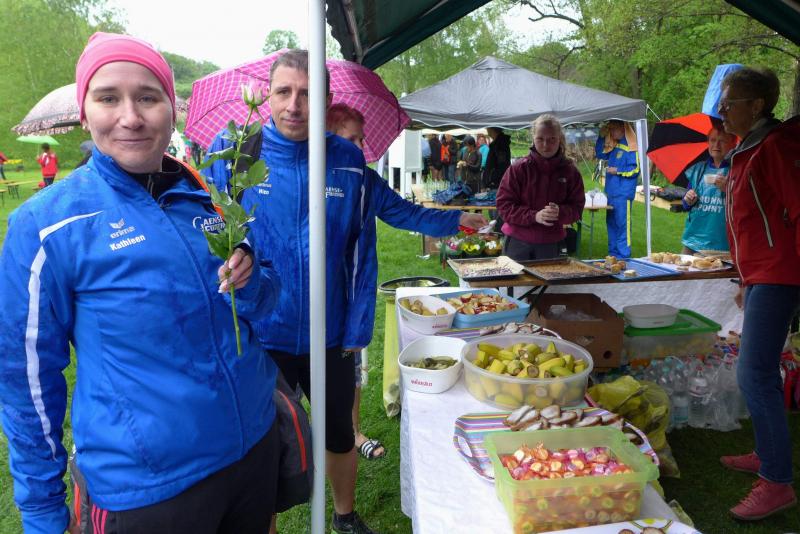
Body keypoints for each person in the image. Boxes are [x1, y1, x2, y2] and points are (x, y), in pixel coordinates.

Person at [0, 32, 282, 534]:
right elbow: (26, 382)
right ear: (84, 113)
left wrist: (252, 280)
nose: (130, 117)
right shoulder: (46, 225)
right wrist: (43, 512)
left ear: (172, 111)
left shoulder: (205, 194)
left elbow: (263, 302)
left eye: (148, 98)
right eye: (108, 98)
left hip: (251, 451)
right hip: (149, 489)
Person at [204, 50, 379, 534]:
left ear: (326, 99)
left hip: (330, 330)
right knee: (265, 446)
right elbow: (211, 227)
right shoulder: (238, 153)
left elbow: (362, 246)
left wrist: (358, 323)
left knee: (338, 432)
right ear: (267, 95)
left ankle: (344, 516)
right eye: (284, 92)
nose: (295, 105)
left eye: (308, 93)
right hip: (263, 330)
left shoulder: (347, 159)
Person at [326, 103, 486, 461]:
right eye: (351, 139)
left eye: (361, 139)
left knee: (350, 368)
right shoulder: (305, 176)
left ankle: (352, 431)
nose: (360, 147)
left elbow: (405, 213)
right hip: (303, 300)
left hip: (350, 294)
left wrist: (457, 219)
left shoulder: (366, 180)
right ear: (328, 139)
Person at [717, 66, 800, 521]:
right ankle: (767, 453)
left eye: (729, 102)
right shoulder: (747, 148)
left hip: (780, 273)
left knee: (754, 374)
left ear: (757, 105)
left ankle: (777, 482)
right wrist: (745, 279)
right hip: (761, 275)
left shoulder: (776, 145)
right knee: (758, 371)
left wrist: (764, 276)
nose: (721, 110)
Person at [496, 114, 585, 261]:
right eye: (540, 139)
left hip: (551, 244)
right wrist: (534, 216)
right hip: (518, 243)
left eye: (552, 139)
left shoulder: (570, 172)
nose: (545, 145)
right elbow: (503, 205)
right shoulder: (518, 169)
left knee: (550, 278)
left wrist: (560, 212)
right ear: (533, 138)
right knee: (516, 277)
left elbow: (577, 208)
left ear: (560, 139)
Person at [679, 121, 737, 254]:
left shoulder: (737, 170)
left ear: (733, 144)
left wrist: (729, 190)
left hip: (724, 245)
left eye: (722, 141)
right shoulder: (698, 169)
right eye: (713, 140)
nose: (716, 145)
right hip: (693, 242)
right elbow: (686, 204)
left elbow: (746, 206)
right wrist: (688, 200)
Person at [595, 119, 639, 257]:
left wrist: (618, 170)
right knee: (611, 224)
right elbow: (600, 154)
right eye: (610, 129)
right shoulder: (615, 145)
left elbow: (635, 170)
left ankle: (624, 257)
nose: (612, 132)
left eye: (614, 129)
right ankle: (613, 255)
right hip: (611, 194)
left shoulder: (632, 147)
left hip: (623, 195)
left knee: (622, 226)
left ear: (623, 128)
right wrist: (601, 137)